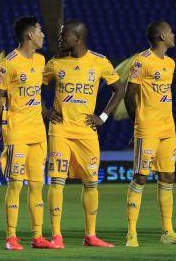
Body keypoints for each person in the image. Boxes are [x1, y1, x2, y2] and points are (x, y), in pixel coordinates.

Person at [42, 20, 125, 248]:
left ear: (77, 38)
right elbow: (34, 87)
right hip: (60, 130)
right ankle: (57, 235)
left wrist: (103, 117)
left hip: (87, 132)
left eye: (64, 35)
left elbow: (120, 89)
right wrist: (46, 111)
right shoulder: (55, 63)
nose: (60, 39)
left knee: (90, 183)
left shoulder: (99, 62)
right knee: (57, 181)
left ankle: (91, 235)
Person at [124, 21, 176, 247]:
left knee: (167, 177)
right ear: (163, 35)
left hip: (167, 128)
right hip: (147, 128)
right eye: (171, 32)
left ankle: (168, 232)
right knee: (141, 177)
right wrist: (138, 123)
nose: (174, 35)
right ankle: (131, 233)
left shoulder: (171, 63)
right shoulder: (141, 61)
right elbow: (129, 94)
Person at [0, 16, 57, 250]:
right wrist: (3, 123)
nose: (43, 35)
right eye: (40, 31)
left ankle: (38, 237)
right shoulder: (9, 63)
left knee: (38, 185)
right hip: (17, 131)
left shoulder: (40, 61)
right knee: (16, 185)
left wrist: (45, 112)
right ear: (30, 35)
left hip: (38, 132)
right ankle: (11, 237)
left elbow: (35, 94)